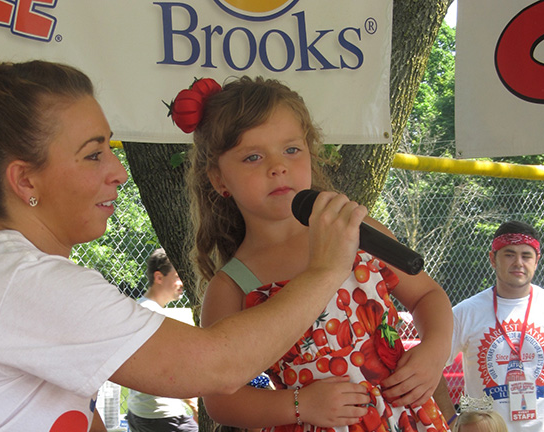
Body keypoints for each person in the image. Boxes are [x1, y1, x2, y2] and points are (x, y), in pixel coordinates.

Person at [0, 47, 369, 431]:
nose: (117, 172)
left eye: (110, 150)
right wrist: (327, 269)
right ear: (26, 181)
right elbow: (217, 367)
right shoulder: (25, 282)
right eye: (93, 154)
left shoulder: (15, 275)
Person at [173, 75, 453, 431]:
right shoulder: (233, 285)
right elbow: (221, 400)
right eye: (253, 157)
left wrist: (435, 350)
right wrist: (299, 405)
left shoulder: (356, 233)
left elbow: (428, 294)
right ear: (218, 179)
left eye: (291, 149)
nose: (278, 166)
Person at [448, 220, 544, 432]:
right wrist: (450, 419)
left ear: (537, 261)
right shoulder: (466, 312)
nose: (518, 262)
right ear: (493, 259)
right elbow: (432, 368)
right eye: (509, 254)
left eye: (526, 255)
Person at [126, 248, 198, 432]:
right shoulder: (153, 314)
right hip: (162, 415)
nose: (182, 283)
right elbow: (168, 366)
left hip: (140, 411)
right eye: (177, 276)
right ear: (159, 277)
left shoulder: (141, 308)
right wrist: (193, 404)